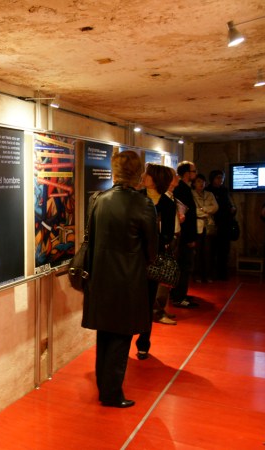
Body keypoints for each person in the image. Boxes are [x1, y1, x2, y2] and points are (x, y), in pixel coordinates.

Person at [81, 150, 158, 408]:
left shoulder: (98, 199)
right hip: (128, 278)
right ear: (138, 174)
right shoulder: (143, 204)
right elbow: (152, 250)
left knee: (104, 333)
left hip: (100, 276)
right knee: (121, 335)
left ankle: (105, 387)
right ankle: (112, 393)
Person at [135, 163, 175, 360]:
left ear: (156, 179)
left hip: (152, 259)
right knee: (130, 300)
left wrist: (152, 238)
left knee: (148, 300)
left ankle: (143, 343)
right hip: (132, 257)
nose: (143, 176)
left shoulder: (167, 204)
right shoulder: (136, 197)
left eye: (148, 174)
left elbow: (168, 235)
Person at [153, 168, 180, 326]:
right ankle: (157, 311)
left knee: (167, 278)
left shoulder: (170, 196)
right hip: (165, 242)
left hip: (172, 238)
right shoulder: (160, 199)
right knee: (162, 278)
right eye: (174, 176)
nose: (177, 178)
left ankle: (161, 308)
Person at [171, 161, 199, 308]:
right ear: (187, 173)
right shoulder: (182, 189)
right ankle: (179, 296)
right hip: (184, 236)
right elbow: (186, 216)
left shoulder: (184, 188)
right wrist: (190, 238)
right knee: (184, 266)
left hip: (184, 234)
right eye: (193, 171)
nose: (195, 174)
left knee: (183, 266)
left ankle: (179, 294)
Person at [205, 170, 236, 280]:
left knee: (224, 250)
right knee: (212, 249)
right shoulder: (208, 191)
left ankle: (222, 273)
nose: (220, 180)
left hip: (225, 223)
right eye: (218, 177)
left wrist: (232, 208)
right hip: (213, 223)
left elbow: (229, 203)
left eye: (222, 178)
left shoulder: (224, 190)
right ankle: (211, 272)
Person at [192, 174, 218, 283]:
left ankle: (207, 274)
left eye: (203, 181)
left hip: (208, 225)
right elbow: (193, 210)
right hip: (197, 225)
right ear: (194, 183)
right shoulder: (191, 194)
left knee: (208, 251)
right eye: (198, 181)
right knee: (197, 251)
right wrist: (206, 211)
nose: (201, 184)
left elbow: (215, 207)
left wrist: (204, 209)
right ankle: (197, 274)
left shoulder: (209, 194)